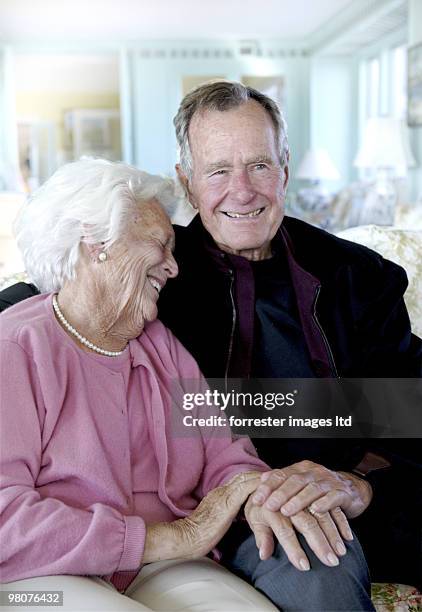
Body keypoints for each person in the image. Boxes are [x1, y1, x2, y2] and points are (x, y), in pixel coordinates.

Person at [0, 158, 374, 612]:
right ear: (96, 244)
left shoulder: (160, 345)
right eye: (160, 245)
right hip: (43, 573)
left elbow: (226, 456)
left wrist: (257, 494)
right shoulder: (16, 348)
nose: (173, 268)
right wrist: (178, 534)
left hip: (166, 561)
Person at [155, 80, 421, 589]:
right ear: (186, 182)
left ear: (285, 168)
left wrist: (361, 485)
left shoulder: (360, 276)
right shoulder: (157, 273)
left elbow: (406, 411)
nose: (242, 190)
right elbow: (51, 299)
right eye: (218, 171)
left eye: (259, 165)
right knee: (316, 568)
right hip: (231, 511)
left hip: (356, 496)